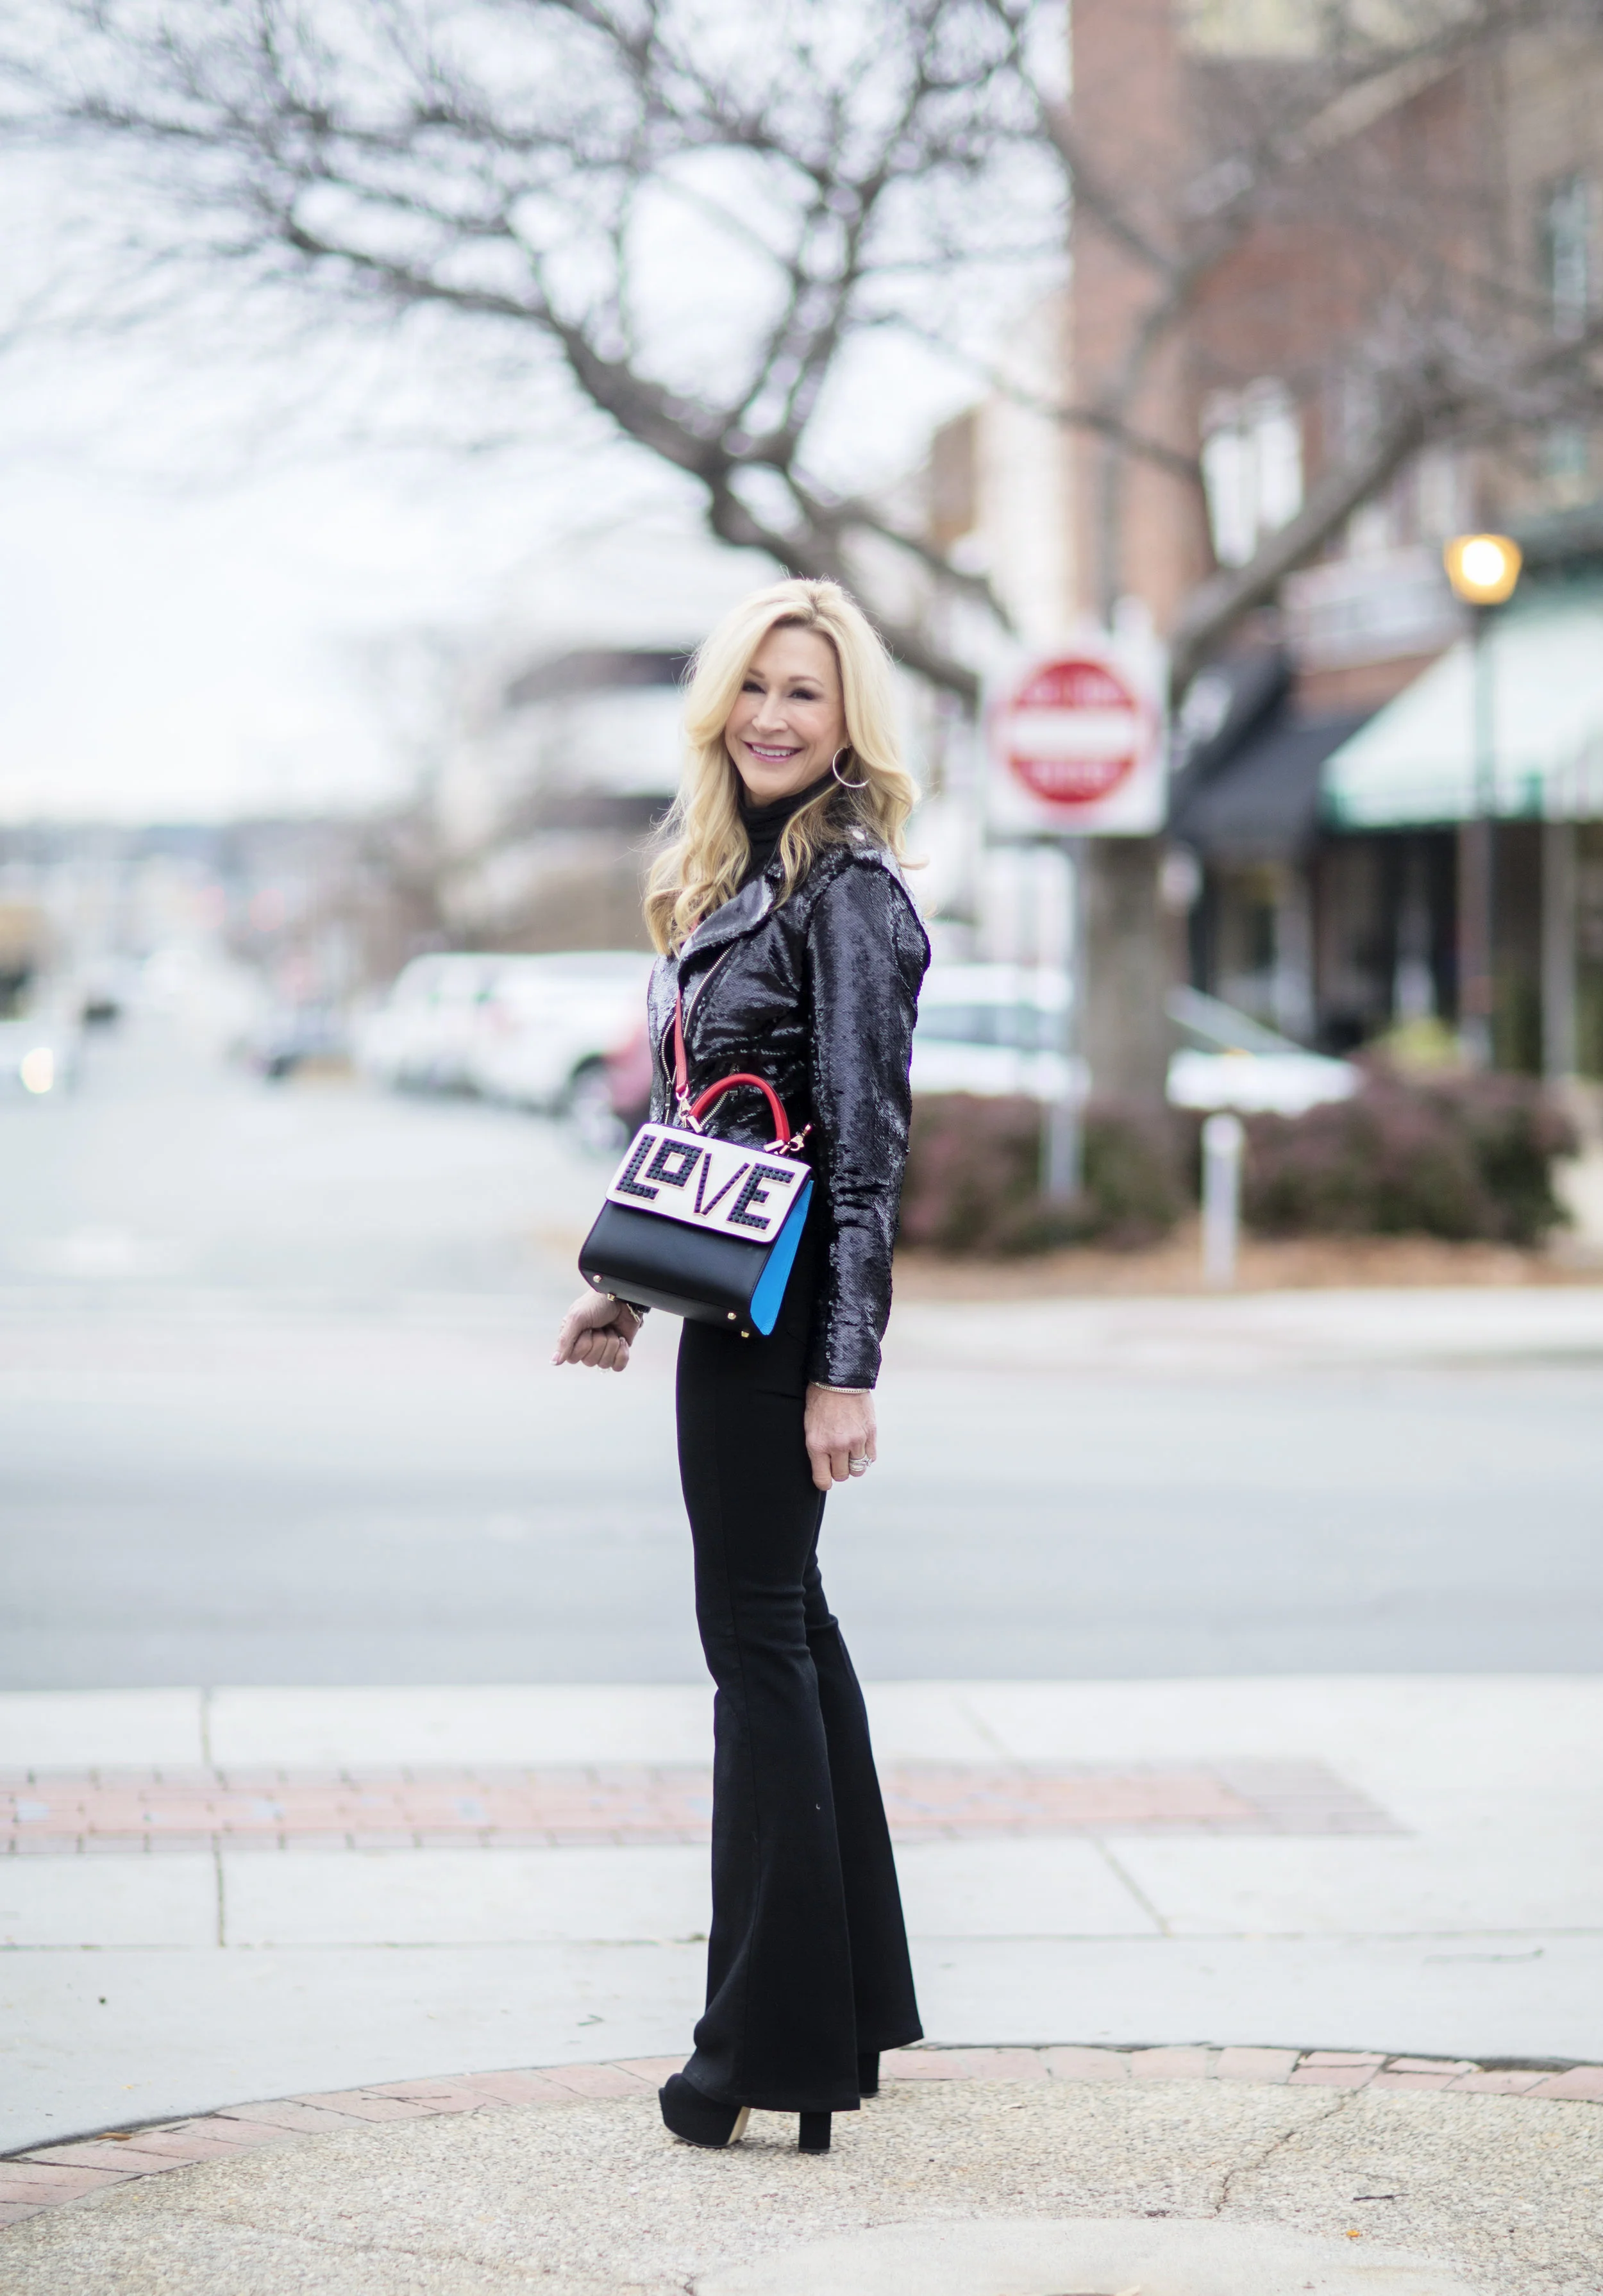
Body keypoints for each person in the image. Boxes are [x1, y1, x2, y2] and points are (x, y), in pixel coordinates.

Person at [553, 577, 928, 2155]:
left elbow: (864, 1159)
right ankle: (840, 2007)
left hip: (785, 1332)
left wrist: (846, 1371)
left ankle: (759, 2046)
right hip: (730, 1315)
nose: (773, 715)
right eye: (756, 687)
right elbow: (702, 1125)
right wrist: (624, 1286)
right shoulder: (743, 878)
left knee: (754, 1649)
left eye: (806, 692)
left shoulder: (846, 891)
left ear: (848, 724)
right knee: (788, 1634)